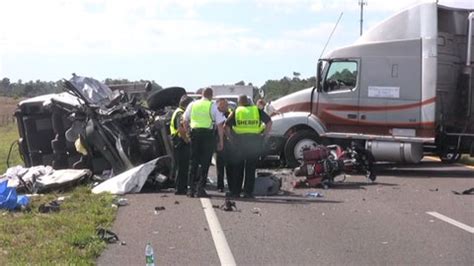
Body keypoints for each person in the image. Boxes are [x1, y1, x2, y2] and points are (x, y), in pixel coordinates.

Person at [225, 94, 272, 198]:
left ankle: (236, 192)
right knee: (250, 168)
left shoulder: (237, 111)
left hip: (240, 142)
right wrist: (264, 135)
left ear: (239, 102)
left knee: (238, 167)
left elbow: (226, 126)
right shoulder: (256, 110)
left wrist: (230, 138)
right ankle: (248, 192)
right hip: (254, 142)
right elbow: (269, 122)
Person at [183, 88, 225, 198]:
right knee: (205, 162)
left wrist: (188, 133)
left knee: (193, 162)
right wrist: (221, 141)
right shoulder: (212, 106)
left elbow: (185, 120)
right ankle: (200, 189)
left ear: (202, 94)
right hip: (207, 135)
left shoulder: (192, 104)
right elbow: (220, 125)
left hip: (195, 134)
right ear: (211, 96)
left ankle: (190, 189)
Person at [170, 95, 193, 195]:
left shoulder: (178, 111)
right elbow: (181, 128)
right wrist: (187, 140)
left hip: (178, 141)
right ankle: (180, 189)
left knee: (181, 166)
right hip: (180, 141)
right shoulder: (181, 113)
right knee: (182, 166)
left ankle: (180, 187)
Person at [215, 98, 232, 193]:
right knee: (220, 165)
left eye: (226, 105)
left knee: (229, 164)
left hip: (228, 141)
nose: (225, 107)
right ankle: (220, 185)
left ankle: (231, 185)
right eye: (223, 105)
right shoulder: (215, 114)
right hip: (218, 141)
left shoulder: (229, 114)